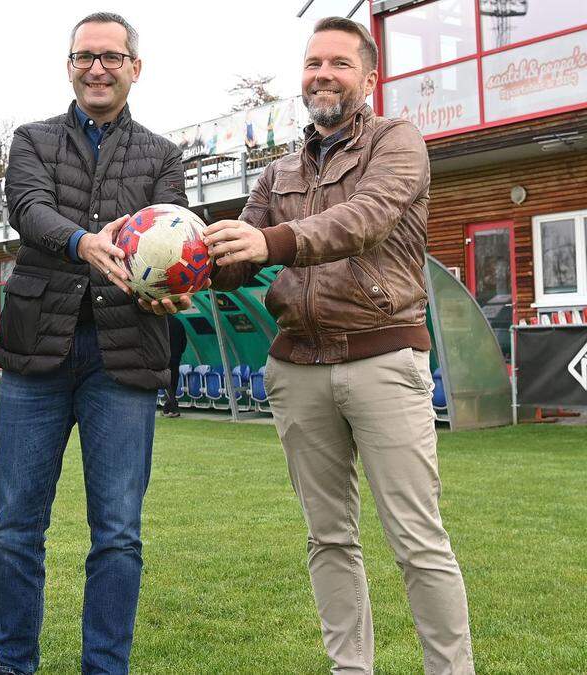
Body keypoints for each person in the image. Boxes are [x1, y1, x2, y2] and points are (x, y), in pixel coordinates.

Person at [204, 17, 474, 675]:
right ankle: (349, 668)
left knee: (417, 539)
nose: (323, 74)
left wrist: (271, 242)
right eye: (313, 62)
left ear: (370, 77)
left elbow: (366, 219)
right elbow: (240, 258)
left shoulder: (399, 142)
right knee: (328, 538)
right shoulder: (276, 175)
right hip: (298, 367)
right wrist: (185, 254)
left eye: (339, 63)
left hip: (383, 356)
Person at [0, 12, 191, 675]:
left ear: (135, 67)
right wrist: (83, 242)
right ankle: (14, 664)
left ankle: (105, 668)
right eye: (84, 56)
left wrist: (172, 282)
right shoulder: (33, 139)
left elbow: (172, 233)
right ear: (68, 66)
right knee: (17, 525)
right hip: (35, 354)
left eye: (110, 57)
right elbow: (27, 208)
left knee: (119, 533)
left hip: (123, 358)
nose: (96, 67)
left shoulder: (163, 154)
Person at [163, 314, 188, 417]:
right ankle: (168, 407)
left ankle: (172, 408)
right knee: (173, 382)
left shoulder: (161, 323)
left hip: (164, 357)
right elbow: (184, 341)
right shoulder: (178, 323)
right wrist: (179, 352)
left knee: (166, 383)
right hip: (176, 357)